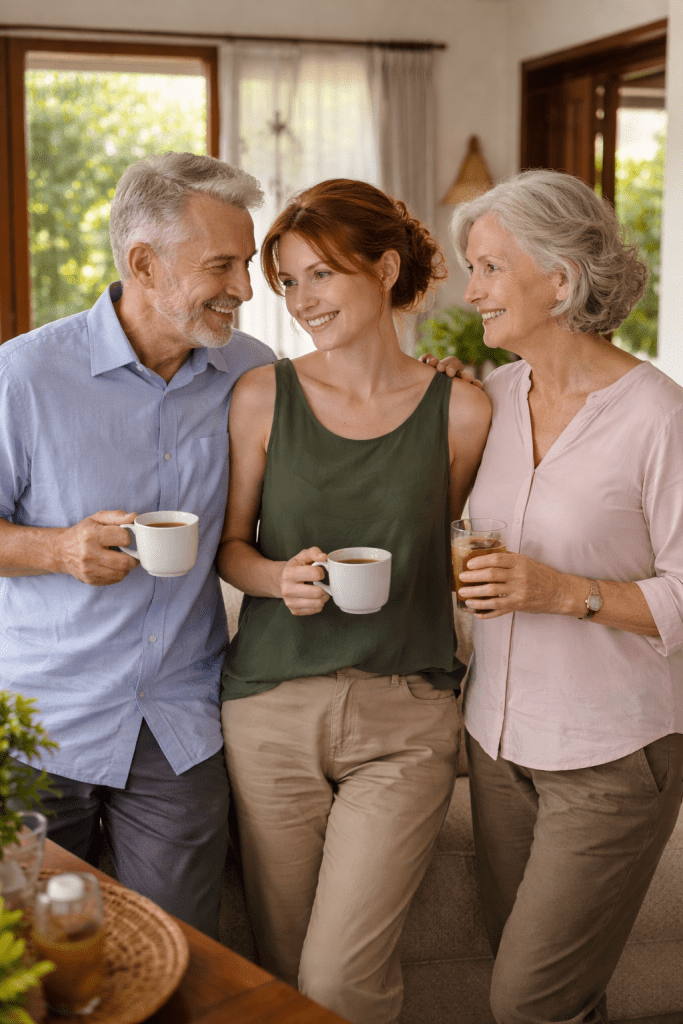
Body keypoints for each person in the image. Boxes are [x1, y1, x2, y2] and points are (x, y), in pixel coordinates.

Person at [217, 178, 491, 1024]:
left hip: (405, 717)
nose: (301, 301)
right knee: (283, 976)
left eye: (320, 276)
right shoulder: (263, 396)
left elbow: (452, 546)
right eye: (288, 283)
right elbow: (229, 549)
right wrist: (276, 578)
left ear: (384, 267)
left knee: (340, 982)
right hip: (269, 712)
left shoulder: (463, 410)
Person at [0, 152, 277, 938]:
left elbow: (347, 438)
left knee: (181, 953)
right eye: (222, 264)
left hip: (178, 724)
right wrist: (58, 550)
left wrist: (435, 388)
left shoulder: (253, 374)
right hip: (45, 719)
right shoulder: (24, 377)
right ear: (144, 263)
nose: (246, 289)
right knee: (32, 960)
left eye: (248, 263)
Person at [437, 168, 683, 1024]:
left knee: (528, 1000)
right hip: (497, 746)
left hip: (611, 758)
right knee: (556, 993)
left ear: (559, 278)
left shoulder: (658, 415)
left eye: (489, 268)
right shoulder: (490, 401)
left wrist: (562, 592)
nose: (470, 292)